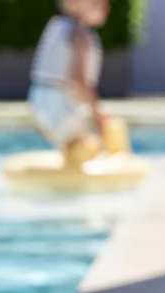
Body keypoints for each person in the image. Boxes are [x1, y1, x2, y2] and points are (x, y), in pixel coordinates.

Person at [28, 0, 122, 169]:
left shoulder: (57, 25)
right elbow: (78, 80)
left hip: (39, 98)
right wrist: (97, 114)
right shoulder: (80, 34)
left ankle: (69, 163)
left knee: (73, 144)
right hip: (57, 103)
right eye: (96, 3)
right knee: (85, 146)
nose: (105, 7)